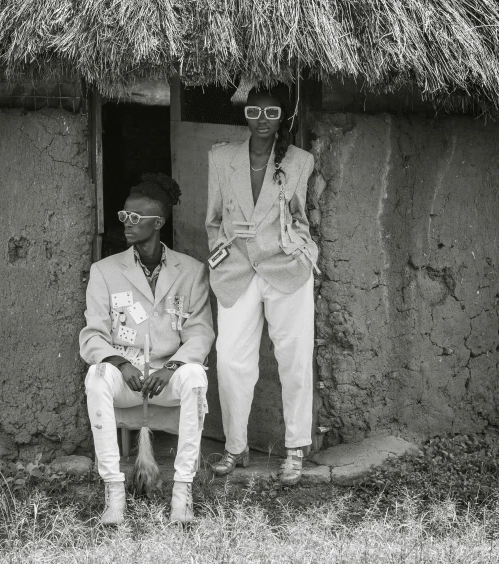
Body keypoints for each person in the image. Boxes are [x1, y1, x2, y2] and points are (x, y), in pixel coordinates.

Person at [80, 173, 215, 525]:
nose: (126, 223)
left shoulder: (191, 271)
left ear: (158, 223)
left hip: (165, 381)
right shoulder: (105, 271)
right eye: (124, 216)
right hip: (127, 382)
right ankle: (114, 492)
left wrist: (171, 368)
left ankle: (182, 492)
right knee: (96, 379)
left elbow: (200, 334)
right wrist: (118, 363)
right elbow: (93, 333)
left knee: (196, 378)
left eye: (136, 218)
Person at [205, 84, 319, 486]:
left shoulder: (298, 160)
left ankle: (294, 449)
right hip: (236, 270)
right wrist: (224, 246)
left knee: (294, 357)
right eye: (256, 112)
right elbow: (213, 219)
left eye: (272, 114)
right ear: (246, 115)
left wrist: (302, 251)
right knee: (232, 359)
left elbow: (302, 218)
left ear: (282, 117)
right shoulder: (221, 158)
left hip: (285, 268)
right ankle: (236, 448)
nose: (264, 121)